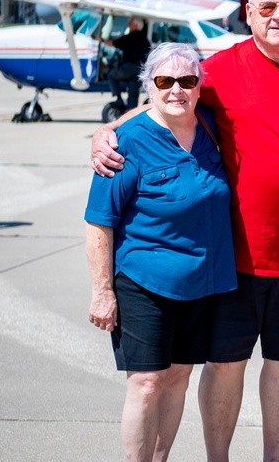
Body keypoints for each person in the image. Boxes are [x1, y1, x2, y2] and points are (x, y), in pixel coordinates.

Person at [92, 0, 279, 462]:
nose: (278, 16)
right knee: (226, 364)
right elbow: (167, 99)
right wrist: (108, 130)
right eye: (267, 7)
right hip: (230, 260)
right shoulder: (222, 69)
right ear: (249, 13)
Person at [84, 42, 237, 462]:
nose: (176, 90)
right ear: (148, 85)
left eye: (187, 81)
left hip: (202, 284)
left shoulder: (209, 127)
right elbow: (99, 221)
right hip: (144, 282)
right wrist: (102, 291)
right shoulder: (126, 144)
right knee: (147, 382)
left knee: (178, 379)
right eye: (165, 81)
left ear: (200, 85)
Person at [106, 16, 152, 109]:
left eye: (130, 23)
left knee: (111, 75)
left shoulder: (130, 37)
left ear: (136, 26)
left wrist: (101, 40)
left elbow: (112, 43)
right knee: (133, 93)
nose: (128, 25)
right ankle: (131, 111)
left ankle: (118, 99)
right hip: (141, 70)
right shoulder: (145, 39)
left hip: (130, 68)